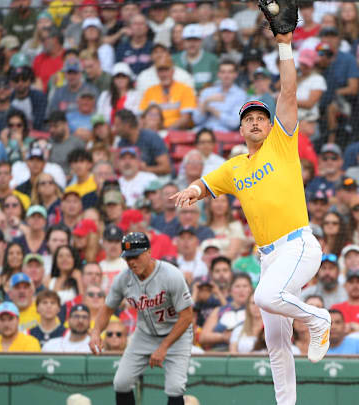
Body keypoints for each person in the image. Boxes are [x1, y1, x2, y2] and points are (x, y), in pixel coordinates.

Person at [170, 21, 332, 405]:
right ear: (241, 129)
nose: (256, 120)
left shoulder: (282, 139)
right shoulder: (234, 166)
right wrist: (192, 191)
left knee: (264, 296)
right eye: (249, 118)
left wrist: (285, 45)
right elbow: (205, 184)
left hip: (298, 245)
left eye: (260, 115)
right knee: (276, 342)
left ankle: (318, 318)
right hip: (270, 255)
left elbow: (288, 90)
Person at [89, 232, 193, 405]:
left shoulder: (171, 275)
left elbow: (187, 316)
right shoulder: (123, 279)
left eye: (135, 256)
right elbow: (107, 309)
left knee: (175, 388)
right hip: (145, 334)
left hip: (177, 334)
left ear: (148, 252)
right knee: (121, 382)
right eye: (127, 258)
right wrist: (95, 332)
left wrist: (163, 347)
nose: (131, 262)